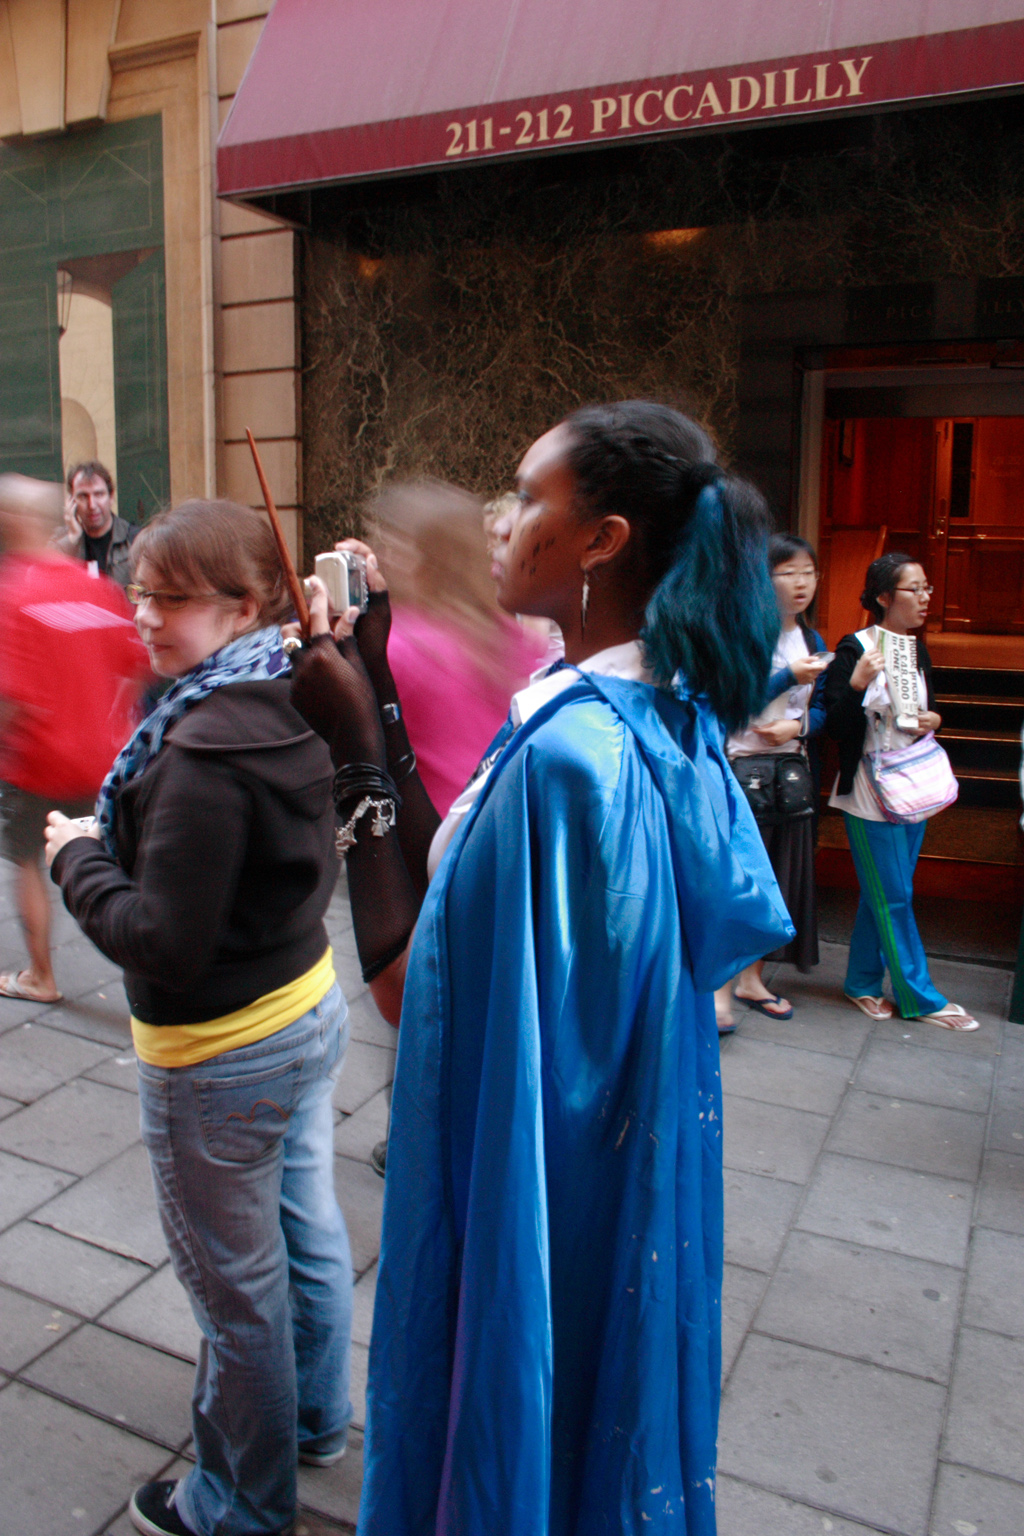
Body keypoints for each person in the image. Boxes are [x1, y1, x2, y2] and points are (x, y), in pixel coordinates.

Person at [289, 401, 793, 1535]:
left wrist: (356, 763)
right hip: (607, 1158)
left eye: (526, 499)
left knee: (526, 1425)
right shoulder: (652, 709)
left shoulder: (572, 758)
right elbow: (478, 888)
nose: (502, 524)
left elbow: (420, 998)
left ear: (603, 540)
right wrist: (369, 707)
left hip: (553, 1182)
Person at [44, 499, 353, 1536]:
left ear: (246, 604)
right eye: (139, 590)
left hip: (219, 1053)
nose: (144, 615)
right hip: (304, 1007)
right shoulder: (281, 682)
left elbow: (160, 942)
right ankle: (315, 1418)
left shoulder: (202, 749)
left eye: (172, 599)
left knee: (237, 1287)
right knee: (302, 1228)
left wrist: (73, 856)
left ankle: (238, 1502)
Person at [0, 474, 147, 1004]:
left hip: (39, 760)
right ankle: (146, 977)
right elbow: (138, 662)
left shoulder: (13, 592)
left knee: (25, 862)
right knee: (124, 863)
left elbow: (9, 697)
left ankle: (41, 975)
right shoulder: (96, 586)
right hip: (105, 754)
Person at [825, 551, 978, 1030]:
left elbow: (921, 715)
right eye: (916, 589)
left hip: (910, 786)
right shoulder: (854, 648)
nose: (926, 598)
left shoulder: (915, 648)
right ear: (885, 597)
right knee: (894, 896)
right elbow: (834, 724)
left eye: (927, 588)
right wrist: (855, 683)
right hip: (870, 795)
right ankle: (921, 998)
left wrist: (934, 720)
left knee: (886, 893)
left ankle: (862, 984)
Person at [369, 479, 546, 817]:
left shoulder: (399, 645)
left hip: (433, 837)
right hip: (506, 824)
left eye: (395, 543)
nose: (385, 557)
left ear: (421, 557)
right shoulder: (510, 636)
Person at [715, 534, 829, 1031]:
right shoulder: (742, 636)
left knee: (777, 879)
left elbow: (825, 709)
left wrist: (798, 726)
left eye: (808, 572)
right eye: (788, 573)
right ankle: (718, 989)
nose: (801, 583)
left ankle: (751, 978)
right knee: (736, 878)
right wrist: (785, 678)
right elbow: (726, 701)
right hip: (742, 770)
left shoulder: (814, 640)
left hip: (790, 771)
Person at [59, 460, 138, 589]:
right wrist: (72, 539)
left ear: (111, 497)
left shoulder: (134, 540)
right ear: (71, 502)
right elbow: (47, 580)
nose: (92, 505)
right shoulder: (61, 542)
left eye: (99, 494)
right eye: (83, 496)